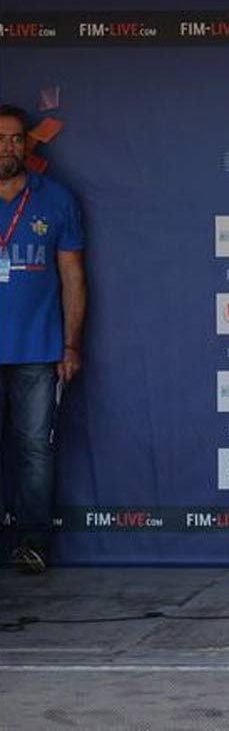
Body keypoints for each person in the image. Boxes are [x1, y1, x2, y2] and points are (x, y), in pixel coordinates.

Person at [0, 104, 85, 574]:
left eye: (16, 138)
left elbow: (72, 276)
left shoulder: (55, 198)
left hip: (36, 348)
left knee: (35, 449)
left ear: (27, 145)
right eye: (0, 138)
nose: (8, 147)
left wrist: (70, 345)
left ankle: (32, 542)